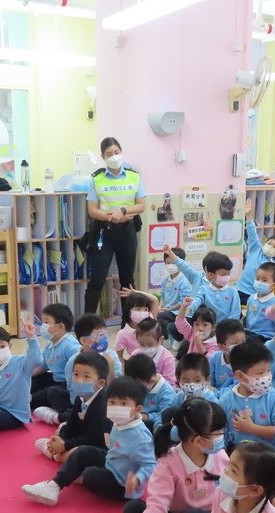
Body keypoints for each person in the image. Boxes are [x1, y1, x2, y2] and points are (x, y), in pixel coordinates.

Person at [98, 398, 228, 513]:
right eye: (218, 433)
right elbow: (157, 504)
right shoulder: (169, 463)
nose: (222, 437)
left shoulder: (220, 456)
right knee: (133, 508)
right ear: (197, 440)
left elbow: (228, 497)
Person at [21, 376, 157, 506]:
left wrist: (137, 479)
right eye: (112, 403)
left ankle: (75, 474)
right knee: (83, 451)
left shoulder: (141, 437)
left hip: (123, 485)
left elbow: (150, 464)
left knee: (90, 476)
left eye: (123, 404)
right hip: (111, 462)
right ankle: (53, 486)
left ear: (137, 409)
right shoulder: (119, 421)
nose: (116, 407)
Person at [85, 137, 146, 314]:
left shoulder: (134, 176)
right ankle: (88, 322)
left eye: (116, 152)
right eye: (109, 154)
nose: (114, 156)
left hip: (127, 232)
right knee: (97, 280)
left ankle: (129, 322)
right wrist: (112, 217)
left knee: (127, 280)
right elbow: (92, 210)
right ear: (103, 157)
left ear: (121, 151)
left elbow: (141, 205)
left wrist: (123, 210)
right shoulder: (96, 179)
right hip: (104, 232)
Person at [218, 342, 275, 454]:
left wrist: (252, 429)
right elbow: (222, 434)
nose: (267, 376)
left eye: (269, 370)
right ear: (240, 376)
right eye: (261, 373)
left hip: (272, 455)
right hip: (241, 456)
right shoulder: (226, 401)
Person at [35, 351, 111, 463]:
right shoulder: (80, 397)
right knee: (61, 430)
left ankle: (55, 455)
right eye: (76, 374)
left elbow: (94, 439)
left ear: (100, 383)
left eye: (86, 376)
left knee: (77, 452)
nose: (79, 380)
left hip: (102, 447)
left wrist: (65, 445)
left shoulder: (103, 405)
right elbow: (72, 423)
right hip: (85, 434)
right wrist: (61, 438)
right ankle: (56, 448)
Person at [30, 303, 81, 418]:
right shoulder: (50, 344)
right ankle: (30, 398)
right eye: (43, 322)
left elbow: (78, 372)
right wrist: (27, 375)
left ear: (61, 327)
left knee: (50, 392)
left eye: (46, 322)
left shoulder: (70, 346)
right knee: (33, 381)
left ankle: (60, 412)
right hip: (55, 380)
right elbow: (44, 366)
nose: (43, 326)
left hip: (68, 384)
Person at [238, 198, 275, 305]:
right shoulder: (256, 249)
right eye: (269, 243)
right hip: (239, 289)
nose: (270, 247)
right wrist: (248, 215)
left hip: (253, 295)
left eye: (274, 247)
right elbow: (252, 233)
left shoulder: (272, 265)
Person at [185, 252, 241, 323]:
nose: (226, 277)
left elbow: (235, 313)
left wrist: (227, 326)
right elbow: (196, 302)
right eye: (223, 275)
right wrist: (189, 306)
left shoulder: (232, 291)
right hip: (208, 326)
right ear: (211, 275)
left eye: (228, 274)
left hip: (227, 327)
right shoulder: (204, 289)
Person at [125, 354, 177, 428]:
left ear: (152, 381)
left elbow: (165, 417)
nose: (135, 389)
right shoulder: (141, 382)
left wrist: (146, 417)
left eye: (138, 387)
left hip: (153, 426)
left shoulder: (167, 393)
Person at [157, 246, 192, 344]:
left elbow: (183, 302)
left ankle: (170, 339)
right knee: (156, 313)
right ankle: (167, 338)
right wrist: (160, 307)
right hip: (167, 310)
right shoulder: (165, 281)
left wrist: (169, 309)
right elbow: (162, 296)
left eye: (173, 263)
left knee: (161, 316)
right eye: (168, 263)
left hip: (177, 311)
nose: (170, 266)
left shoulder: (184, 281)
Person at [243, 262, 275, 343]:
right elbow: (248, 317)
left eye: (264, 280)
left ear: (273, 285)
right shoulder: (251, 298)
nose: (259, 282)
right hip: (249, 333)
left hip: (265, 338)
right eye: (257, 279)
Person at [131, 318, 177, 387]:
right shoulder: (135, 355)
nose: (145, 348)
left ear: (160, 340)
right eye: (142, 344)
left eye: (150, 345)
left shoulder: (167, 358)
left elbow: (169, 383)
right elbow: (130, 377)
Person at [208, 319, 245, 391]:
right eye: (235, 343)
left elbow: (236, 389)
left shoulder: (246, 362)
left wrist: (215, 393)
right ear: (221, 346)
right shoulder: (214, 359)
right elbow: (207, 380)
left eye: (243, 341)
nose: (241, 347)